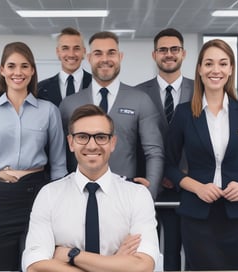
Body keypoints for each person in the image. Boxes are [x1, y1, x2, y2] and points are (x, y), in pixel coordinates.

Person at [22, 104, 160, 272]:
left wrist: (73, 255)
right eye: (82, 137)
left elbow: (142, 270)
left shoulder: (137, 195)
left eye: (101, 137)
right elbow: (36, 270)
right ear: (71, 142)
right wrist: (115, 265)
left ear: (113, 143)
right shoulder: (49, 194)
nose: (92, 145)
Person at [165, 38, 238, 270]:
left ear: (231, 69)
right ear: (200, 69)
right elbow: (169, 164)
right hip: (196, 216)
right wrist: (197, 187)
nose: (216, 70)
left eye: (223, 64)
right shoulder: (184, 114)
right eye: (209, 64)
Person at [0, 41, 67, 271]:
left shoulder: (48, 111)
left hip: (36, 196)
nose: (17, 72)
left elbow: (59, 165)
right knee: (0, 269)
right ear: (2, 70)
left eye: (24, 66)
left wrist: (61, 208)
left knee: (37, 267)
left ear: (32, 70)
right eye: (11, 66)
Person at [59, 31, 164, 198]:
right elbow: (60, 155)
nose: (105, 59)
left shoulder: (140, 100)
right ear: (89, 58)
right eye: (98, 53)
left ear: (120, 57)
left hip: (125, 194)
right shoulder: (69, 104)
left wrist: (149, 194)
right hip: (79, 195)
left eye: (111, 53)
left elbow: (154, 152)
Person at [136, 28, 194, 271]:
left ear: (183, 53)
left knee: (186, 251)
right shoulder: (137, 93)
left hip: (191, 184)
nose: (169, 54)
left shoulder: (201, 90)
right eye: (163, 50)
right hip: (149, 186)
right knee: (144, 252)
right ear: (154, 54)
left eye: (174, 49)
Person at [37, 27, 92, 106]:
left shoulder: (97, 85)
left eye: (76, 48)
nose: (71, 54)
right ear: (58, 52)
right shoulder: (40, 89)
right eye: (65, 48)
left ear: (84, 51)